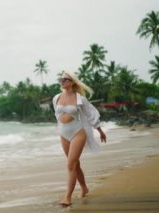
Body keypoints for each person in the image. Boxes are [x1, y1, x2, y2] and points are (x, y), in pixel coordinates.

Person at [52, 70, 107, 206]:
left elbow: (91, 113)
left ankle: (67, 197)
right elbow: (57, 116)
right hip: (64, 133)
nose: (62, 81)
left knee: (70, 165)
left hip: (78, 132)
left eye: (65, 79)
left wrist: (100, 130)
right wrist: (60, 128)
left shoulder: (80, 98)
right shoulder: (56, 97)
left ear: (71, 82)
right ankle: (84, 188)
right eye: (61, 79)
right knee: (75, 165)